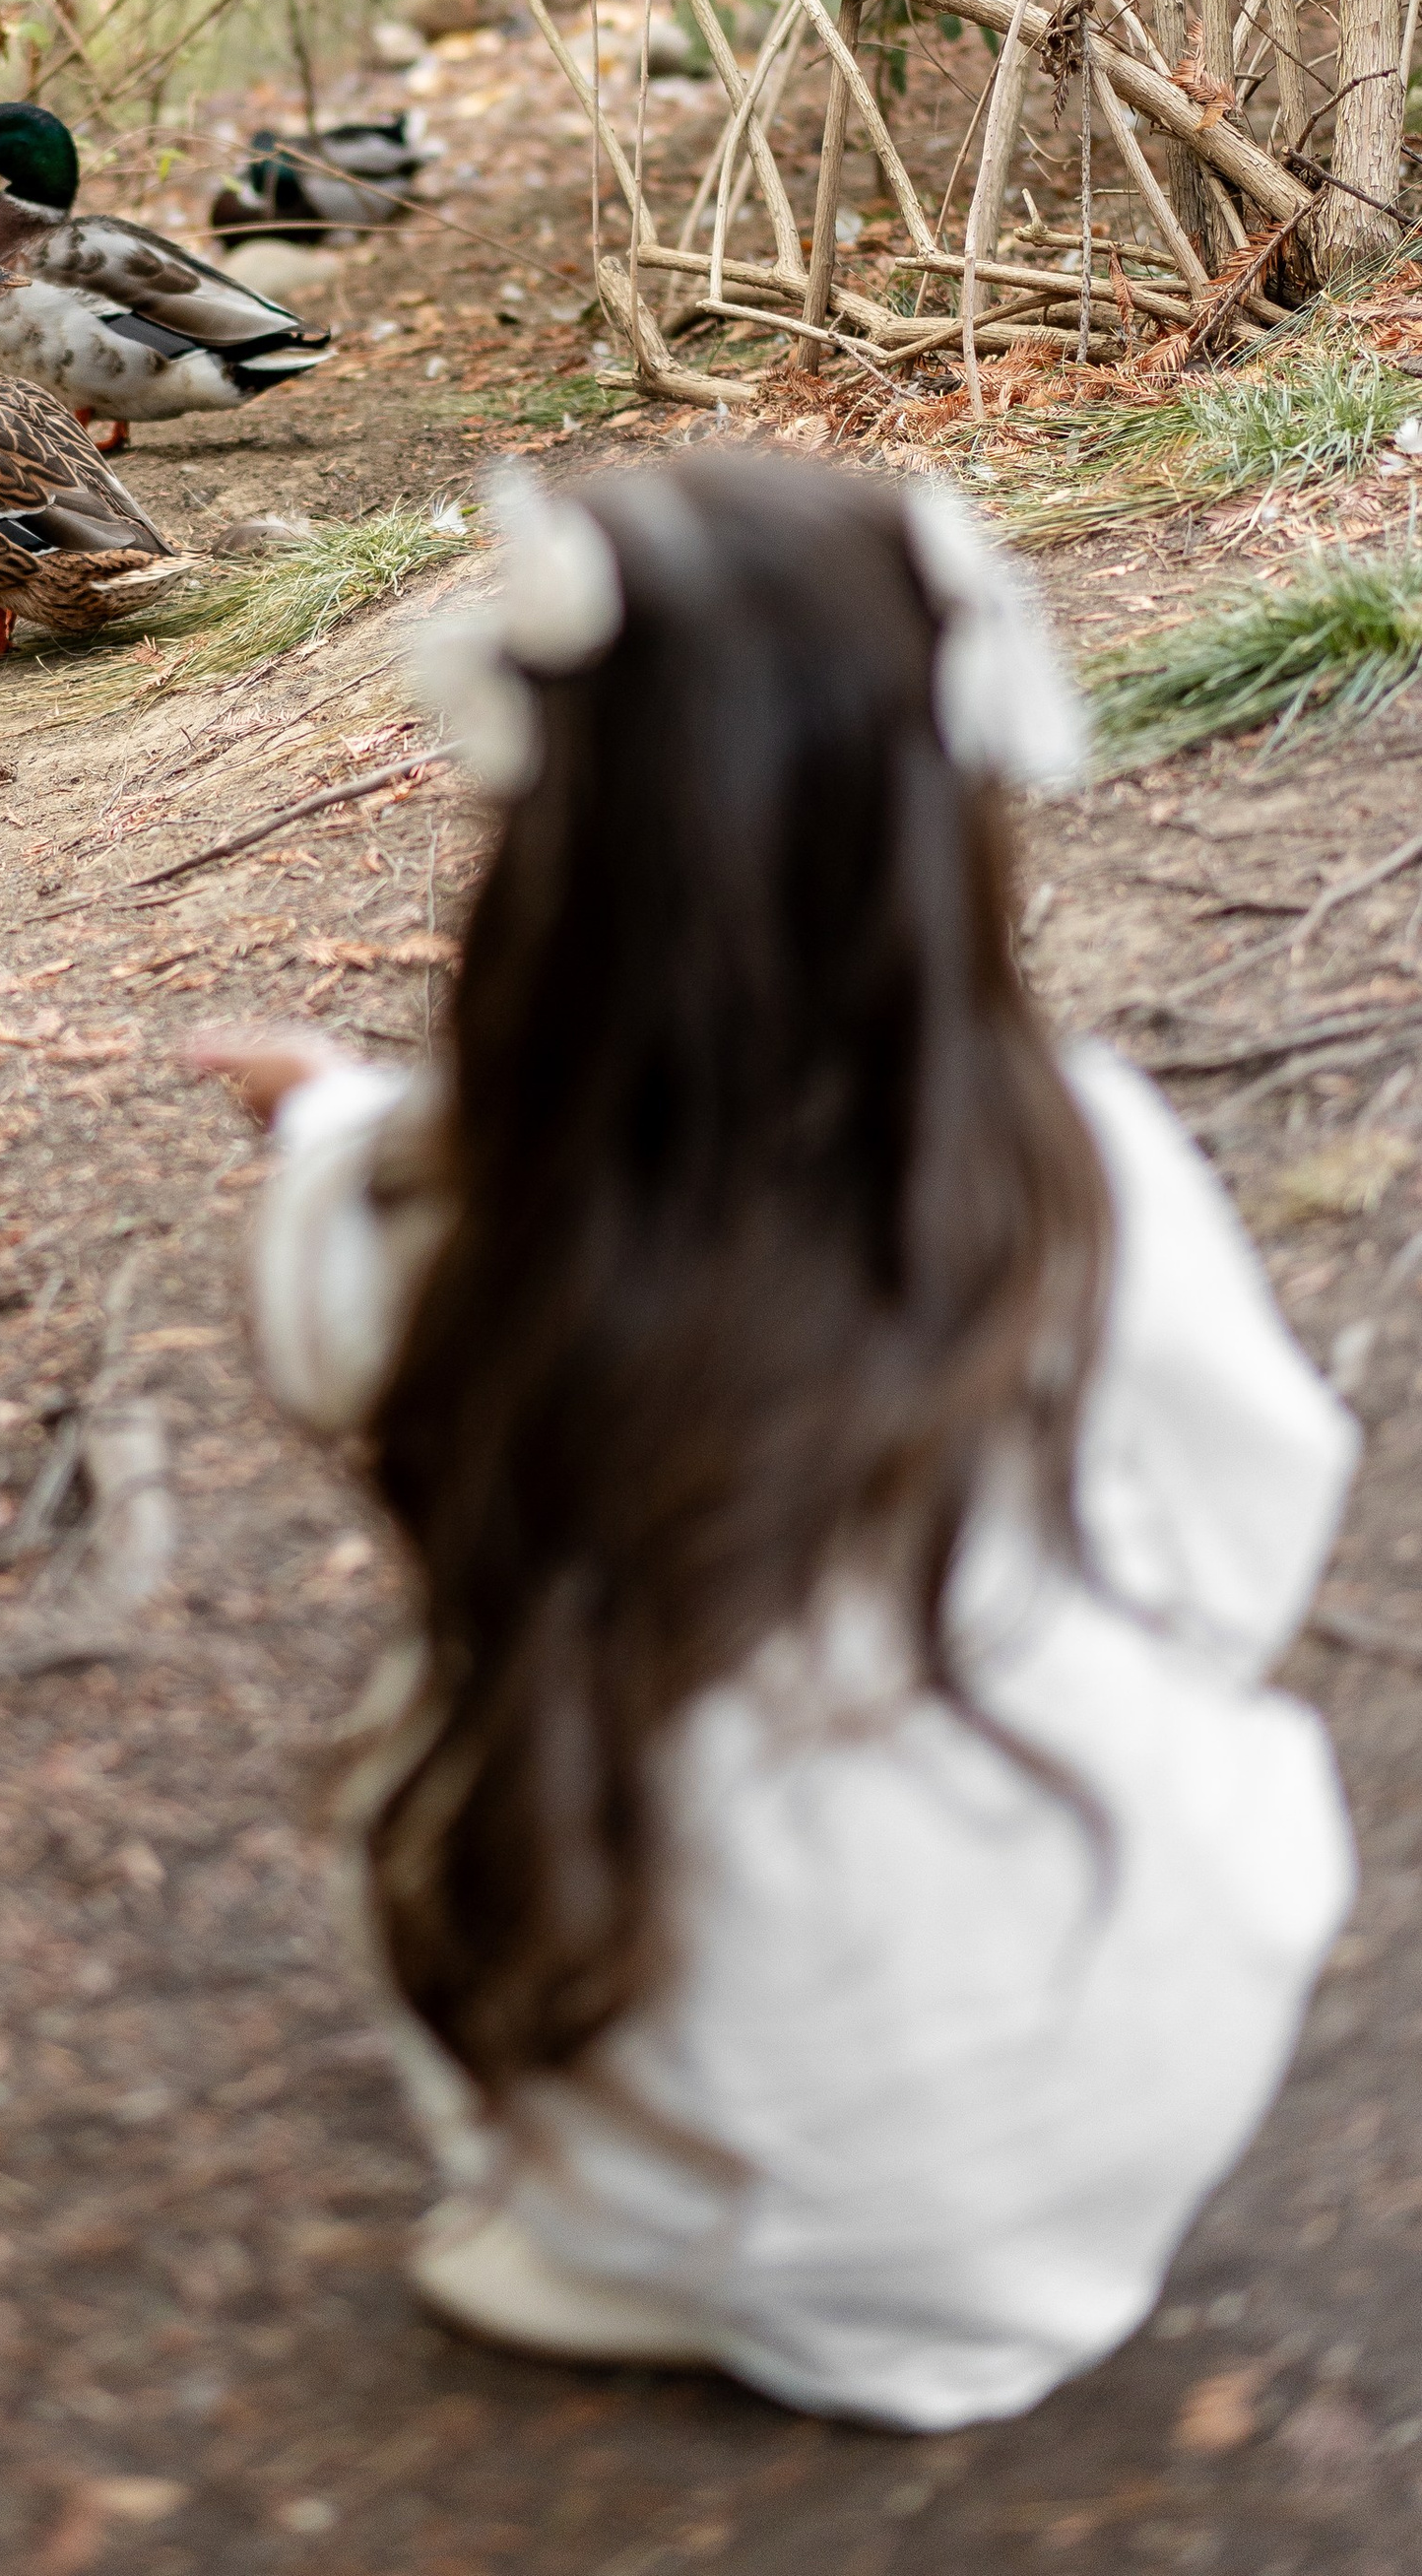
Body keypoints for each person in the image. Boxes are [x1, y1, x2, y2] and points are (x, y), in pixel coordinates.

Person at [187, 451, 1356, 2434]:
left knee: (446, 1731)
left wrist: (322, 1128)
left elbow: (336, 1331)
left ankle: (648, 2208)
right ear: (935, 821)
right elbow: (1247, 1530)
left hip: (706, 2133)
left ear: (543, 863)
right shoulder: (1069, 1159)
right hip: (1119, 2054)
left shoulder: (467, 1225)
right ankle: (966, 2125)